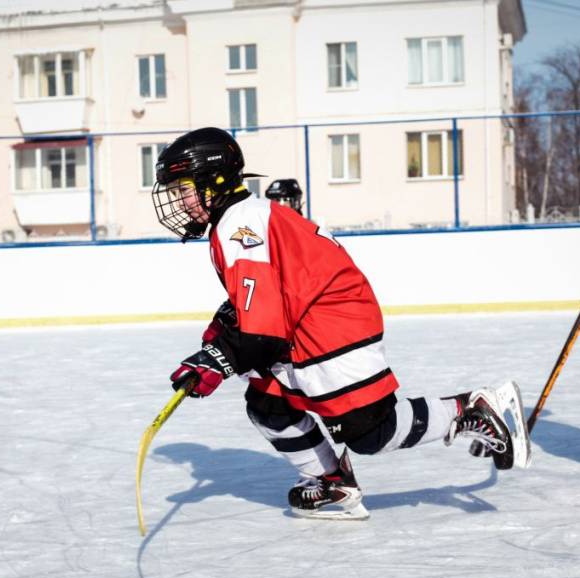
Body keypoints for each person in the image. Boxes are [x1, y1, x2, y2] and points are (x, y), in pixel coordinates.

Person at [151, 127, 531, 520]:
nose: (180, 202)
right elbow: (259, 300)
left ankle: (469, 408)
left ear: (213, 179)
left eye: (184, 189)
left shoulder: (239, 225)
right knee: (267, 403)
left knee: (370, 433)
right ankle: (333, 484)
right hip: (312, 323)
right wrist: (219, 341)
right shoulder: (243, 219)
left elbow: (263, 331)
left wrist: (219, 358)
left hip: (334, 324)